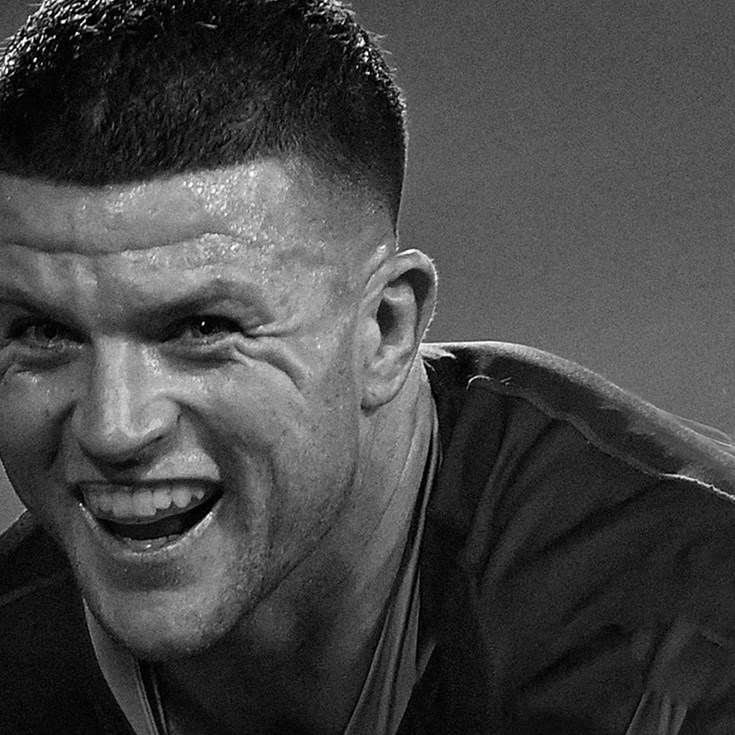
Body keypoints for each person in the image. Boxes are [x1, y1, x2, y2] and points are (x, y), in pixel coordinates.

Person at [1, 1, 735, 733]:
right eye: (42, 332)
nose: (114, 427)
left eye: (202, 329)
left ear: (385, 330)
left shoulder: (688, 634)